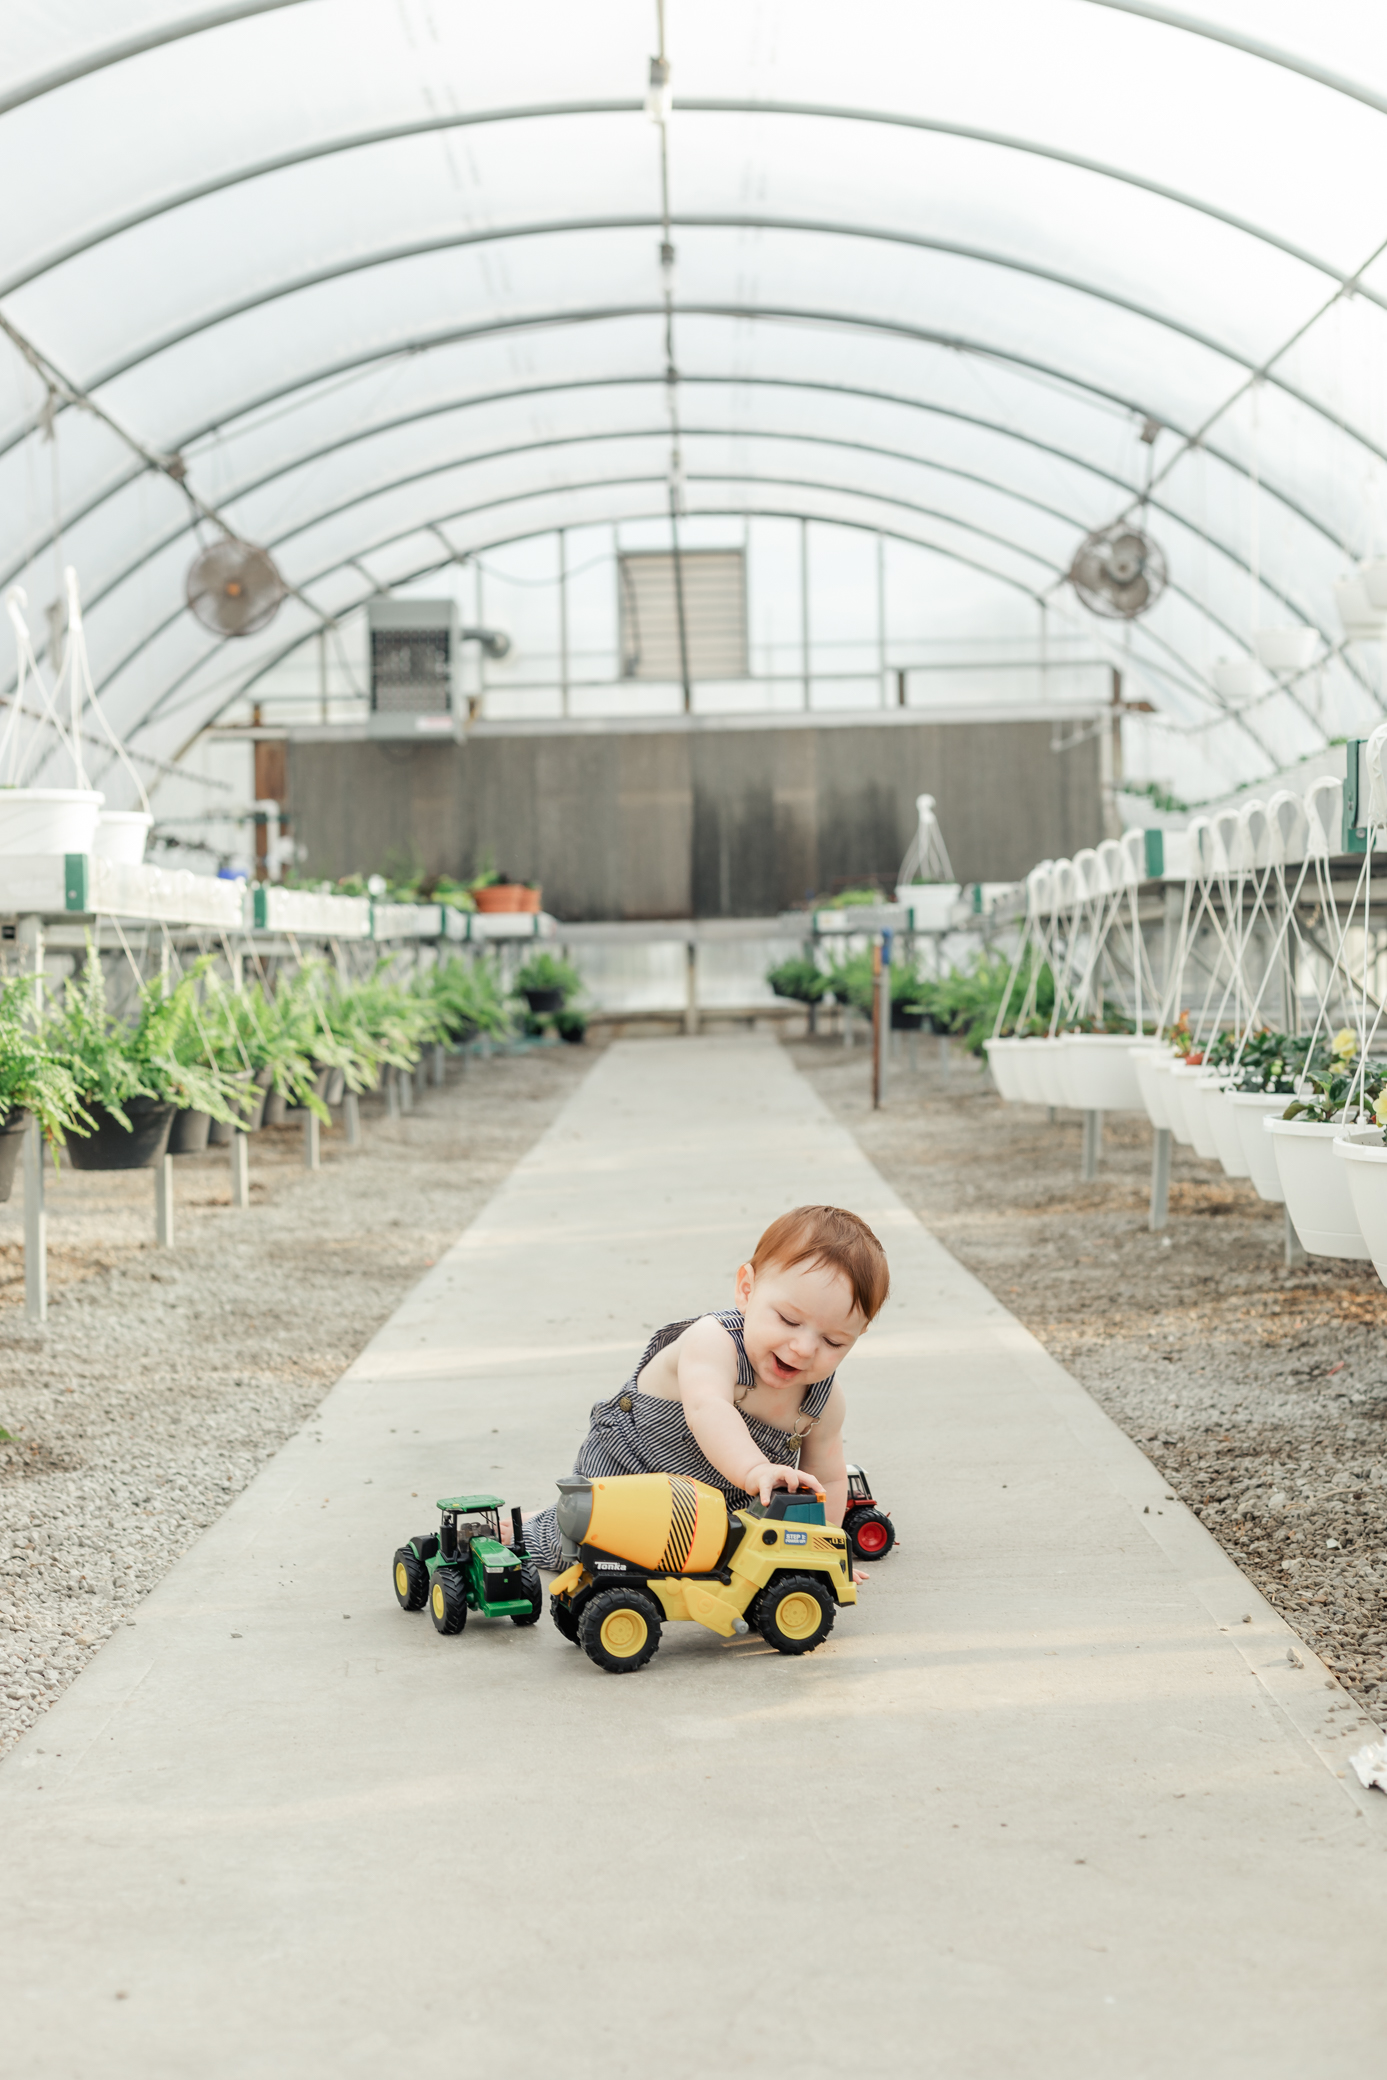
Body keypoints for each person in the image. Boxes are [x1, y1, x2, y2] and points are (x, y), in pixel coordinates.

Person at [521, 1203, 890, 1571]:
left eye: (834, 1342)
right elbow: (708, 1410)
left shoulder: (823, 1402)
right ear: (746, 1290)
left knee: (719, 1565)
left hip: (715, 1504)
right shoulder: (714, 1341)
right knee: (591, 1555)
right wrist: (754, 1470)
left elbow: (827, 1476)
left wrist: (822, 1550)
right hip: (629, 1469)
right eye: (789, 1320)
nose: (804, 1348)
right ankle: (532, 1526)